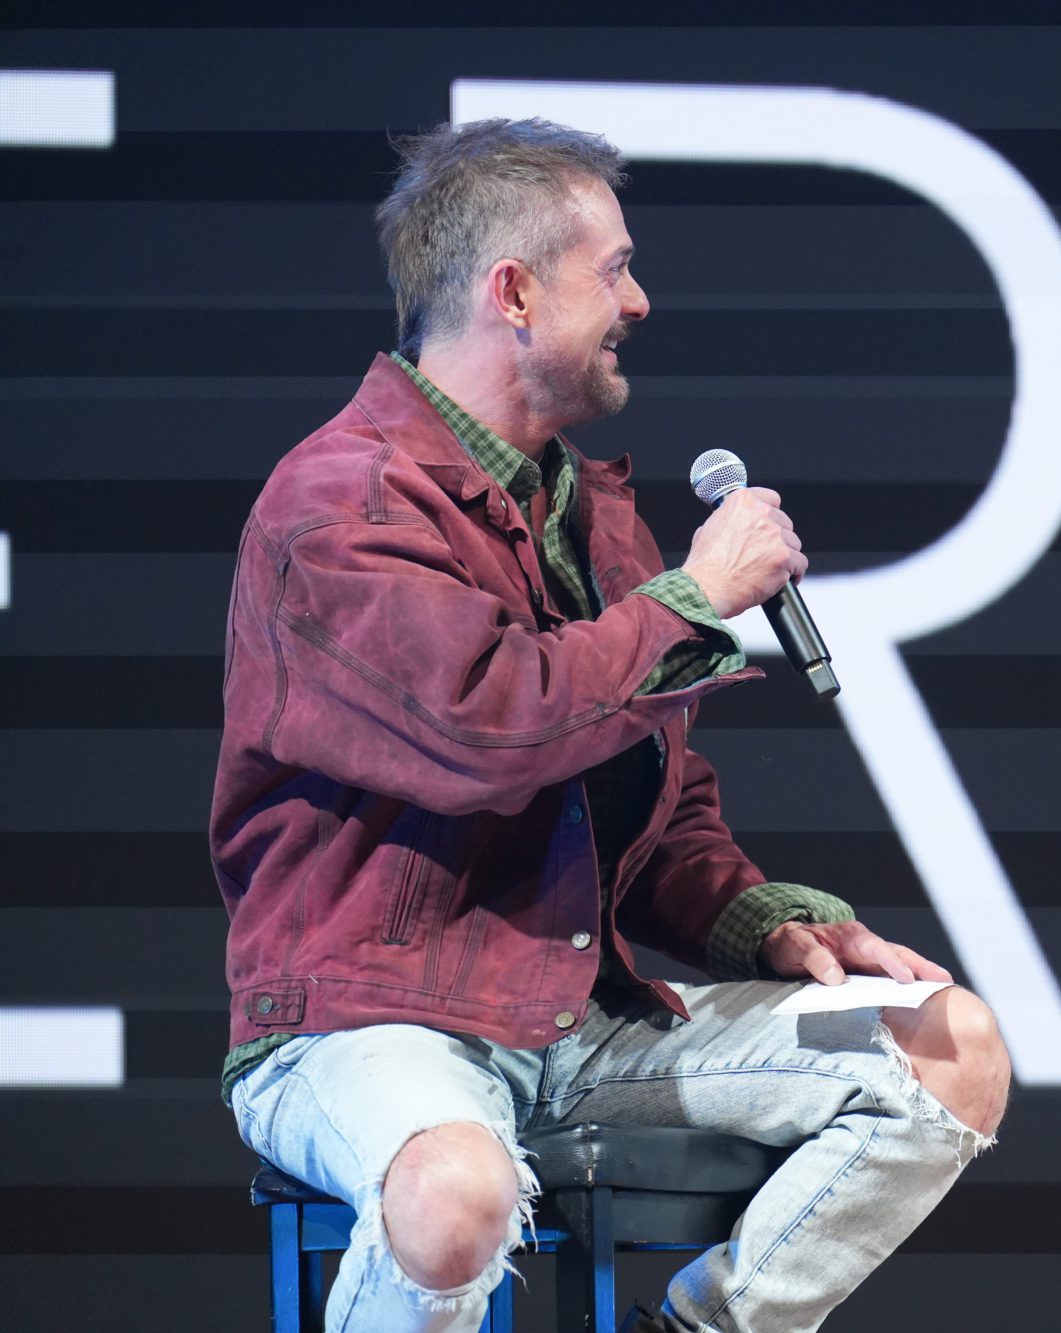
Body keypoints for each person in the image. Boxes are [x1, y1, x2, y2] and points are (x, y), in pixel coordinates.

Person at [212, 117, 1010, 1333]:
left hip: (569, 1022)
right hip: (367, 1021)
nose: (640, 300)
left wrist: (767, 924)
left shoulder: (591, 515)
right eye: (616, 268)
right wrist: (690, 601)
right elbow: (490, 731)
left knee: (946, 1043)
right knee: (453, 1192)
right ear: (515, 292)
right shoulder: (340, 502)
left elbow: (650, 808)